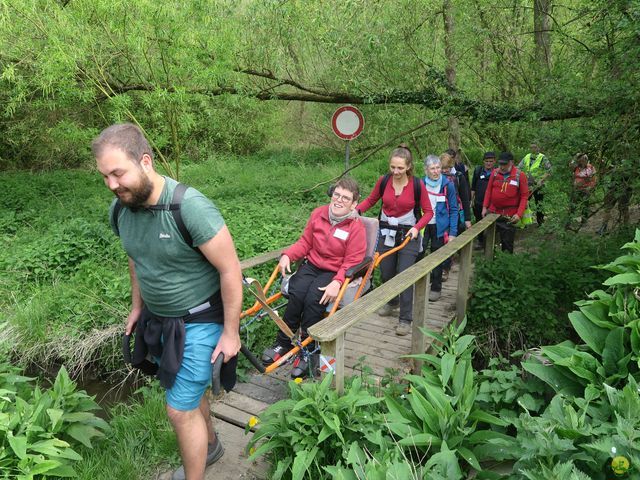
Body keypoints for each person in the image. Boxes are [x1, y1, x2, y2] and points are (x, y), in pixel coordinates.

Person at [93, 123, 242, 480]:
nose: (112, 185)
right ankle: (211, 445)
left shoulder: (189, 206)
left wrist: (231, 333)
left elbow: (230, 270)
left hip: (202, 320)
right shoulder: (121, 209)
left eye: (118, 173)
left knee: (178, 410)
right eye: (105, 176)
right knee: (183, 391)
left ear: (145, 161)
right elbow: (136, 257)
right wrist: (137, 308)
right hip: (159, 321)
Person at [261, 177, 366, 378]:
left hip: (333, 271)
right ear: (331, 194)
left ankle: (310, 352)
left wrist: (338, 281)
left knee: (313, 300)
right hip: (312, 265)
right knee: (296, 293)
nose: (339, 200)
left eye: (346, 198)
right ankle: (283, 343)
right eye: (337, 194)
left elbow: (352, 261)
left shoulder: (356, 227)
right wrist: (288, 255)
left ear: (354, 204)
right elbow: (305, 243)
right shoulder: (318, 214)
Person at [357, 144, 434, 336]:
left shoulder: (417, 185)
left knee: (404, 275)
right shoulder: (384, 181)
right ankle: (392, 301)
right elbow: (371, 200)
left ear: (408, 166)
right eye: (393, 167)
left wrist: (417, 228)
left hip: (409, 235)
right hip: (386, 233)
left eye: (400, 168)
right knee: (386, 271)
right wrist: (354, 212)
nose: (396, 171)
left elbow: (429, 212)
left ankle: (405, 319)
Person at [421, 155, 459, 302]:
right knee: (418, 254)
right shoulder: (420, 184)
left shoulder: (447, 185)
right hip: (422, 226)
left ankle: (436, 288)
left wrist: (453, 232)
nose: (436, 171)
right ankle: (414, 286)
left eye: (438, 168)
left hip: (440, 227)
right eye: (432, 168)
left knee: (437, 257)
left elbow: (454, 210)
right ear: (426, 170)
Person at [482, 151, 529, 253]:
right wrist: (484, 207)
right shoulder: (495, 173)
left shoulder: (520, 175)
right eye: (500, 164)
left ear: (511, 162)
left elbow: (524, 196)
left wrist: (519, 214)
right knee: (487, 238)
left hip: (509, 215)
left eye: (505, 164)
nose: (502, 167)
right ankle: (490, 263)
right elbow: (488, 190)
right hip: (493, 212)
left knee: (507, 242)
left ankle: (505, 264)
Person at [440, 151, 471, 281]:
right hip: (441, 214)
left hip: (455, 214)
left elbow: (465, 198)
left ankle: (445, 269)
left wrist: (468, 219)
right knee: (440, 242)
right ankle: (441, 267)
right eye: (442, 168)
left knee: (450, 241)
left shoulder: (459, 177)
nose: (445, 171)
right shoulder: (436, 177)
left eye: (447, 168)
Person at [518, 142, 551, 225]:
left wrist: (541, 180)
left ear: (538, 148)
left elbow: (549, 170)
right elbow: (518, 168)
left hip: (539, 185)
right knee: (524, 201)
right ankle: (524, 222)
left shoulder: (543, 158)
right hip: (527, 185)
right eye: (531, 147)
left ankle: (540, 222)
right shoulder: (527, 156)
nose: (533, 149)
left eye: (535, 147)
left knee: (539, 203)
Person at [471, 151, 496, 248]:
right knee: (479, 222)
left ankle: (491, 243)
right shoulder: (478, 171)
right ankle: (480, 241)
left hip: (492, 203)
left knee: (491, 223)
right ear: (483, 161)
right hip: (478, 202)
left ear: (494, 161)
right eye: (487, 161)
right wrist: (471, 200)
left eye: (491, 161)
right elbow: (473, 187)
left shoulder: (497, 172)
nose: (489, 163)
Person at [567, 153, 597, 228]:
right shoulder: (576, 167)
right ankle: (569, 221)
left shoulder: (591, 167)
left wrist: (590, 187)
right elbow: (570, 164)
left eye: (585, 159)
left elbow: (594, 179)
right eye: (582, 160)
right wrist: (577, 156)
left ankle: (584, 221)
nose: (583, 161)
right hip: (576, 189)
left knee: (585, 205)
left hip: (586, 189)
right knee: (573, 205)